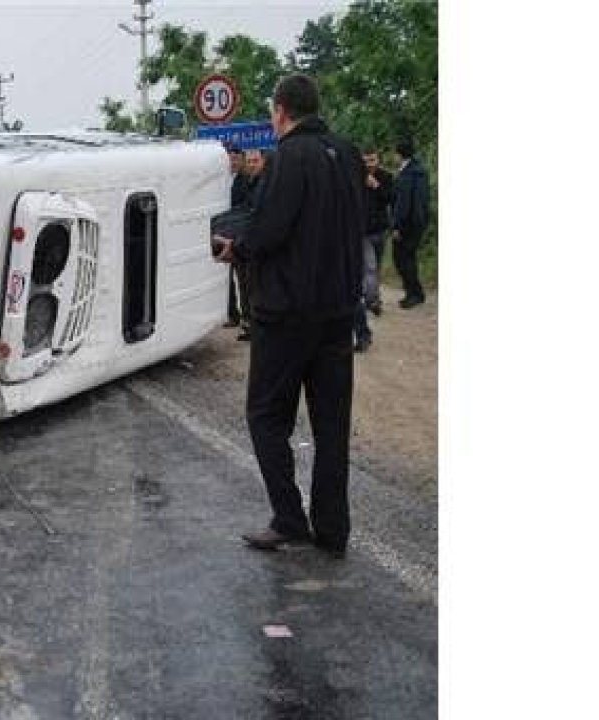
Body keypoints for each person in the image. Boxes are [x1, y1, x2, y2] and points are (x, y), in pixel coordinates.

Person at [211, 74, 365, 559]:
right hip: (339, 313)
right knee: (331, 426)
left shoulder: (288, 160)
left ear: (280, 111)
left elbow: (269, 231)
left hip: (287, 314)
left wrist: (235, 247)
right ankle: (333, 530)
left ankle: (289, 517)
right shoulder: (349, 155)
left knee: (266, 416)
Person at [353, 147, 397, 351]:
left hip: (380, 229)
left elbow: (391, 198)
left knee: (375, 267)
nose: (369, 164)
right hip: (363, 231)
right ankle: (371, 300)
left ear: (378, 160)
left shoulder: (386, 176)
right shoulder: (355, 177)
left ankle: (374, 298)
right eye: (366, 160)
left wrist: (377, 186)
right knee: (369, 267)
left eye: (372, 160)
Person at [233, 149, 270, 341]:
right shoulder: (248, 182)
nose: (252, 164)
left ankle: (256, 327)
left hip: (254, 247)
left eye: (256, 161)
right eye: (249, 161)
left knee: (254, 288)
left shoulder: (267, 184)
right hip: (242, 242)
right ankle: (248, 325)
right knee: (244, 286)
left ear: (263, 161)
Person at [392, 138, 430, 308]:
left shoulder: (407, 174)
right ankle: (416, 293)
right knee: (408, 258)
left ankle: (413, 294)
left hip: (407, 224)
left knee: (402, 259)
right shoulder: (420, 170)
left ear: (399, 154)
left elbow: (403, 203)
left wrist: (397, 226)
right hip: (418, 222)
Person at [224, 145, 249, 327]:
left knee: (244, 279)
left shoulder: (246, 180)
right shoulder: (224, 179)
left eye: (235, 158)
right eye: (229, 159)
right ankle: (233, 315)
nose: (232, 162)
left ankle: (248, 319)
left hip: (241, 237)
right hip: (225, 235)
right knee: (228, 279)